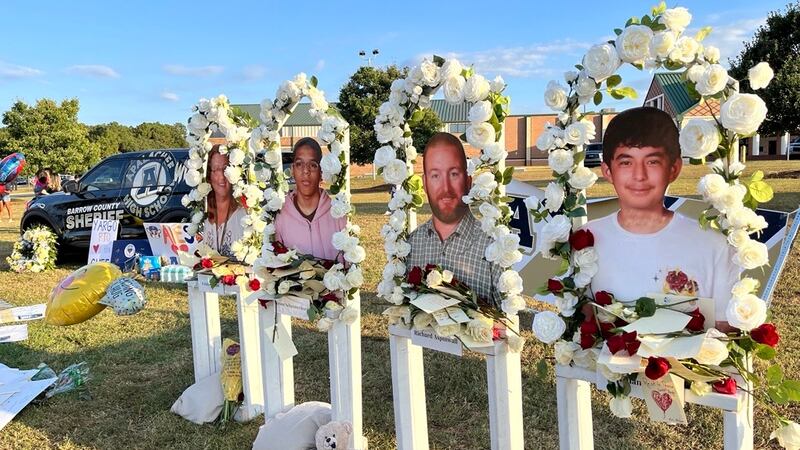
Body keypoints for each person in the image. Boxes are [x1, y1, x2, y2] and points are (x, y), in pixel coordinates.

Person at [583, 107, 740, 328]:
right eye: (626, 162)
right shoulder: (585, 240)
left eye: (652, 162)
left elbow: (726, 329)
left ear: (674, 169)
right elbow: (581, 321)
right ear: (607, 171)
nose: (639, 176)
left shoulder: (713, 244)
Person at [405, 132, 501, 305]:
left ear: (468, 181)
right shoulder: (411, 244)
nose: (446, 188)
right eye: (435, 176)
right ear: (425, 183)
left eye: (454, 174)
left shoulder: (493, 246)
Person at [274, 137, 346, 261]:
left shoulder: (338, 214)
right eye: (299, 164)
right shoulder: (280, 214)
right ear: (292, 170)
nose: (305, 171)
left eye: (312, 165)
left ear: (321, 172)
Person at [202, 145, 246, 258]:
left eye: (225, 168)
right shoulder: (205, 219)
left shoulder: (244, 217)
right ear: (209, 176)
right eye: (216, 170)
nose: (222, 176)